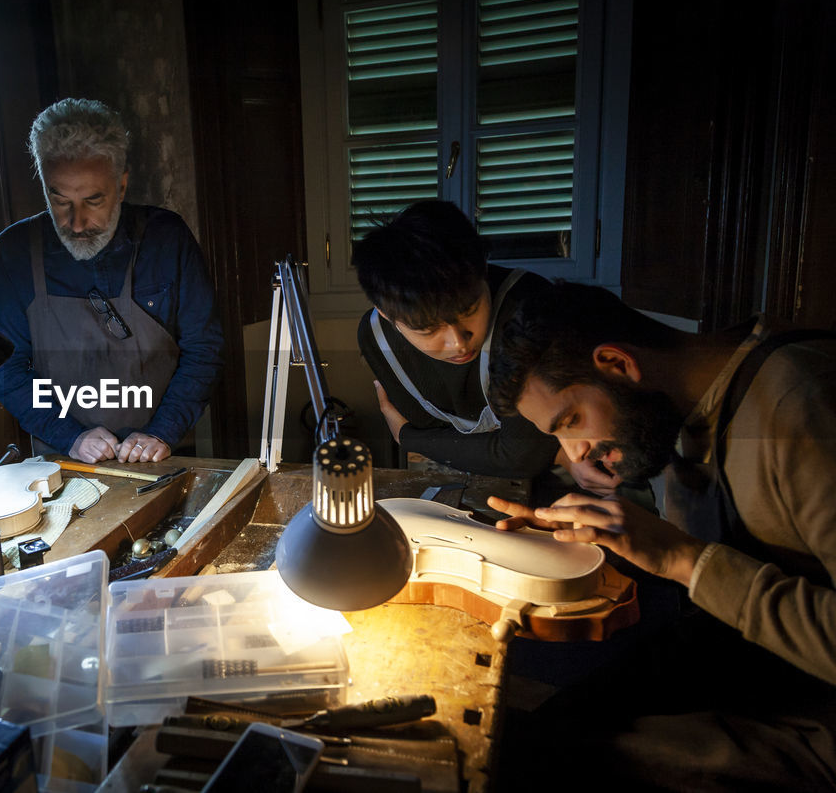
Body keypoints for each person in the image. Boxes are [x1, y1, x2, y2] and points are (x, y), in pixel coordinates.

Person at [486, 281, 836, 791]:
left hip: (817, 711)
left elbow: (701, 560)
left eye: (571, 421)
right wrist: (601, 537)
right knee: (526, 726)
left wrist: (681, 558)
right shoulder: (682, 412)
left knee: (557, 760)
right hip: (748, 659)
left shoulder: (803, 404)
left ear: (617, 364)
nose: (575, 453)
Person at [0, 98, 223, 463]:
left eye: (93, 200)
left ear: (122, 186)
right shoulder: (14, 252)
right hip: (63, 461)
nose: (75, 223)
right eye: (58, 199)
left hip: (166, 456)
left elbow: (204, 349)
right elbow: (5, 370)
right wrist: (69, 436)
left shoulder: (166, 239)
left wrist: (162, 431)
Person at [352, 200, 618, 496]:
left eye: (470, 309)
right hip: (478, 476)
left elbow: (520, 455)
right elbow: (429, 426)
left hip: (571, 471)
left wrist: (406, 436)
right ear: (389, 315)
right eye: (429, 330)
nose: (458, 342)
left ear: (483, 269)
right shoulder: (376, 337)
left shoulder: (528, 311)